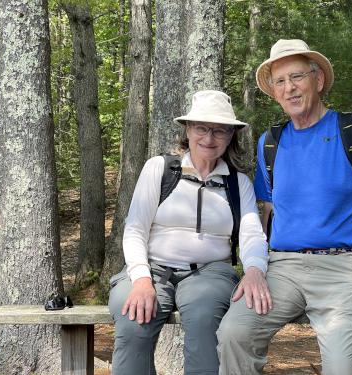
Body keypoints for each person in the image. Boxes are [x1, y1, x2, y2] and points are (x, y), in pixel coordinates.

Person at [217, 39, 352, 374]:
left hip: (345, 269)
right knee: (234, 333)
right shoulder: (269, 142)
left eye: (297, 77)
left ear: (317, 81)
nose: (289, 88)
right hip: (282, 268)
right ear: (273, 91)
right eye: (280, 81)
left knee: (341, 368)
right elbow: (262, 218)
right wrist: (254, 271)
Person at [108, 90, 270, 375]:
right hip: (151, 269)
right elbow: (134, 229)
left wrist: (255, 269)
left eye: (219, 130)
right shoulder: (159, 169)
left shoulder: (238, 183)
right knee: (132, 317)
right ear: (188, 129)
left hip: (211, 272)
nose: (209, 138)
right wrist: (142, 280)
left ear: (231, 135)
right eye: (201, 128)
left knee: (206, 320)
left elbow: (251, 235)